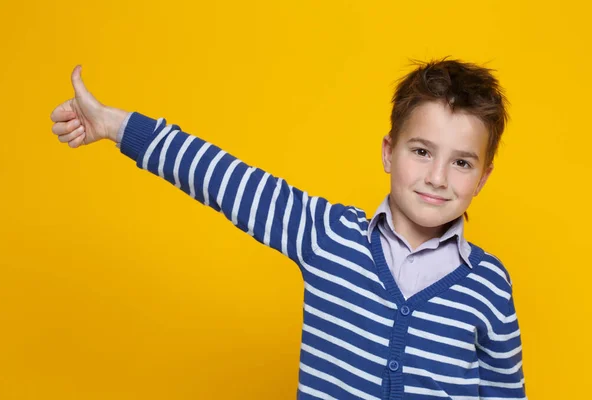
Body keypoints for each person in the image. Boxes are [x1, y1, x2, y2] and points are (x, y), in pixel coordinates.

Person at [50, 58, 526, 400]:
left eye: (461, 162)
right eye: (421, 151)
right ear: (388, 152)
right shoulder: (329, 236)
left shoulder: (489, 284)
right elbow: (228, 180)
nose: (438, 177)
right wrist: (119, 126)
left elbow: (506, 393)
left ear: (483, 177)